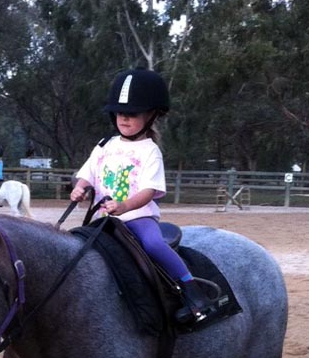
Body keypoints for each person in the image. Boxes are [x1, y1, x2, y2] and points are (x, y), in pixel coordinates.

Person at [70, 66, 213, 323]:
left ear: (151, 116)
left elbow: (148, 191)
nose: (123, 119)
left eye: (132, 114)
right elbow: (88, 174)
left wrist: (124, 206)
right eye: (119, 113)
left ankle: (193, 291)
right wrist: (80, 187)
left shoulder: (150, 151)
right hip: (105, 219)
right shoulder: (105, 145)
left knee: (153, 244)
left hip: (138, 217)